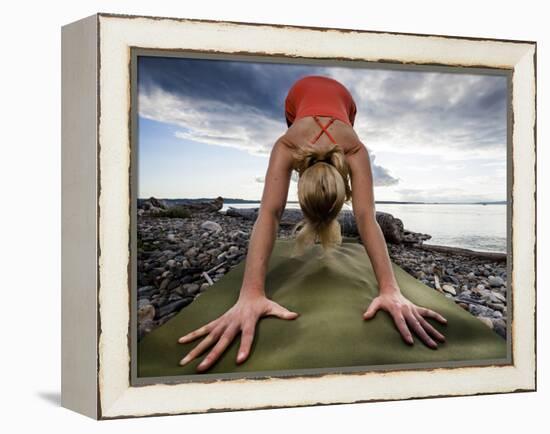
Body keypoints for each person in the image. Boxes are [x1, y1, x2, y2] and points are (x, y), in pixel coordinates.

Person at [177, 75, 447, 372]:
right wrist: (250, 294)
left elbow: (272, 213)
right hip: (301, 100)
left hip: (344, 104)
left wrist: (390, 290)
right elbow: (364, 216)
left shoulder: (329, 146)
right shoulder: (310, 145)